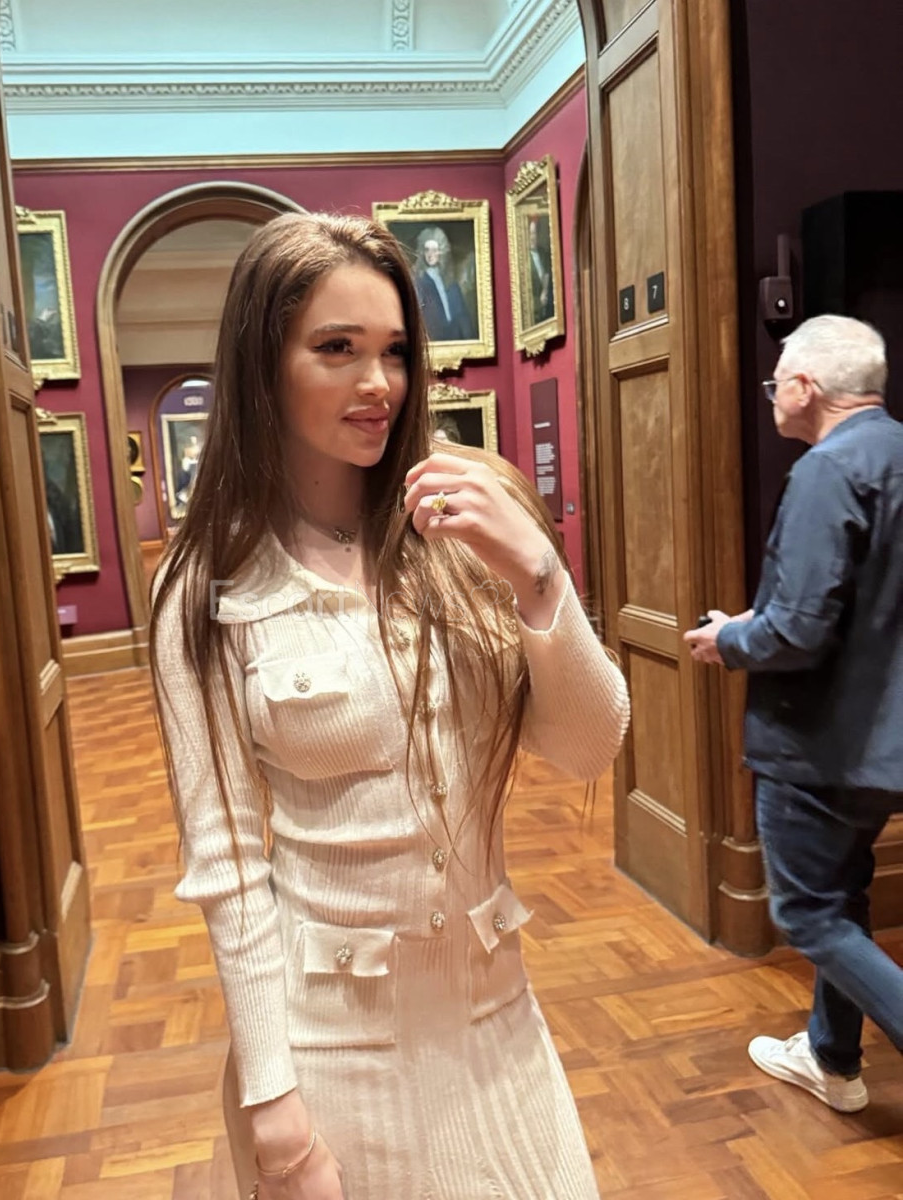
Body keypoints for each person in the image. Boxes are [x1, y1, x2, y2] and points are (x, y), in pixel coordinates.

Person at [150, 212, 629, 1200]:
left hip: (496, 1020)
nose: (379, 383)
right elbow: (228, 862)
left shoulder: (457, 526)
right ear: (262, 365)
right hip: (334, 1046)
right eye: (337, 349)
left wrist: (541, 578)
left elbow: (587, 749)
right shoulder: (208, 584)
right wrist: (275, 1114)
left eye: (396, 352)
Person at [683, 315, 903, 1113]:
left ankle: (835, 1056)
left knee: (808, 915)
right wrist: (765, 618)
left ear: (806, 387)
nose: (773, 396)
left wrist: (729, 640)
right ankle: (832, 1060)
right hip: (884, 747)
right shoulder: (895, 453)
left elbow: (799, 633)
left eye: (777, 383)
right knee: (843, 898)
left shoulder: (825, 470)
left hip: (818, 747)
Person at [412, 225, 476, 342]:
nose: (430, 254)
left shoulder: (451, 283)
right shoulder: (419, 283)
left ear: (441, 252)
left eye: (434, 250)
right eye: (427, 250)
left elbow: (462, 317)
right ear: (422, 252)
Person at [527, 215, 554, 326]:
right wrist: (539, 301)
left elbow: (548, 274)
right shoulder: (524, 259)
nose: (532, 237)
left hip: (549, 308)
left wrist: (545, 291)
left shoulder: (543, 253)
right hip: (535, 314)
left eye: (534, 234)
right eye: (530, 234)